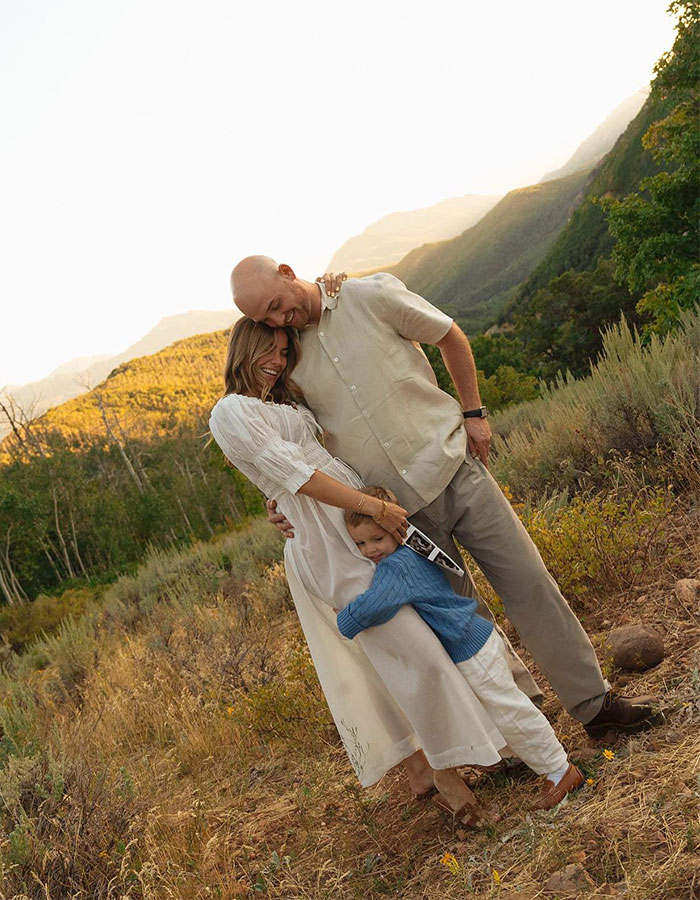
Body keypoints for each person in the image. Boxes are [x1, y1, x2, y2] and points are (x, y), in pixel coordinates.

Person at [231, 255, 657, 752]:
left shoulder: (369, 296)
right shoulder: (285, 360)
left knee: (530, 584)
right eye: (265, 319)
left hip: (455, 470)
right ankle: (525, 732)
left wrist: (474, 412)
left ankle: (596, 706)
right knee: (464, 623)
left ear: (286, 272)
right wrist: (276, 501)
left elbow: (450, 335)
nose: (280, 321)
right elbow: (286, 442)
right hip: (396, 517)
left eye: (278, 306)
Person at [209, 318, 522, 825]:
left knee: (405, 649)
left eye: (284, 352)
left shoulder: (281, 403)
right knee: (412, 650)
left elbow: (299, 468)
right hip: (328, 541)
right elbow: (299, 476)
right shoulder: (229, 412)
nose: (277, 360)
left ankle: (426, 765)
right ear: (244, 347)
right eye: (268, 348)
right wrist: (367, 507)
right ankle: (448, 777)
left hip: (357, 529)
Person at [339, 486, 585, 812]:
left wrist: (341, 618)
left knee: (509, 710)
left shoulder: (396, 568)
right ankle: (544, 763)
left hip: (469, 647)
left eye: (377, 539)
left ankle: (560, 769)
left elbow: (371, 608)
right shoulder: (413, 548)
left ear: (396, 529)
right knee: (502, 708)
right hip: (474, 637)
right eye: (360, 543)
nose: (370, 550)